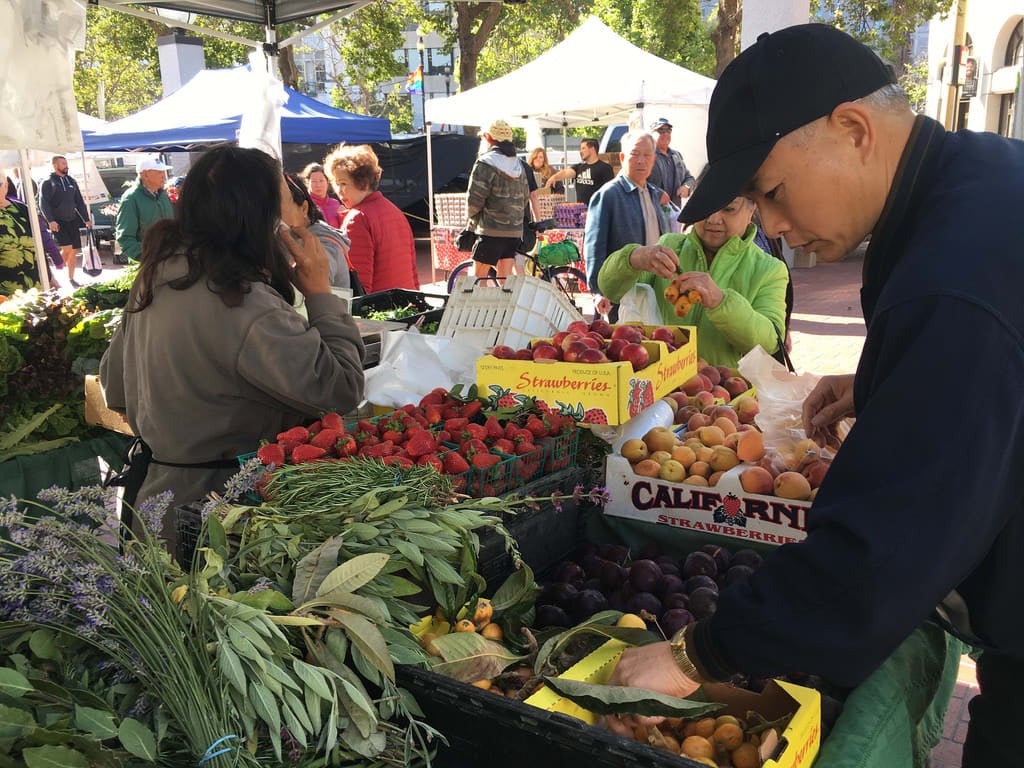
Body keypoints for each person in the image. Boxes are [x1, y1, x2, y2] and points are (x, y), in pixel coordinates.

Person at [605, 25, 1024, 767]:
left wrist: (702, 653)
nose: (774, 226)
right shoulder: (977, 180)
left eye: (771, 192)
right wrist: (885, 381)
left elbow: (895, 536)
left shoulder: (955, 275)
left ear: (854, 129)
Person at [99, 146, 365, 545]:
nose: (293, 206)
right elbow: (341, 390)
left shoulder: (157, 277)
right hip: (226, 516)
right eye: (284, 197)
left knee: (163, 606)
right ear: (259, 216)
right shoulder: (244, 300)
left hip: (154, 505)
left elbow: (114, 386)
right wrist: (319, 293)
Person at [597, 194, 788, 367]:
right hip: (658, 385)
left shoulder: (769, 269)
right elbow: (609, 288)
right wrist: (633, 258)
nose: (713, 219)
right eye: (705, 206)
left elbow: (771, 342)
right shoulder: (669, 246)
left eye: (728, 209)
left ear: (751, 210)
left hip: (722, 395)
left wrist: (720, 302)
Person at [583, 130, 668, 320]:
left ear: (653, 160)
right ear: (622, 158)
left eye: (647, 155)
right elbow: (594, 246)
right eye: (635, 154)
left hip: (650, 291)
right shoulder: (608, 195)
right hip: (619, 292)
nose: (641, 161)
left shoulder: (653, 194)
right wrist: (598, 290)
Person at [324, 144, 418, 294]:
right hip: (405, 305)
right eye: (335, 183)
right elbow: (412, 270)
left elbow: (358, 285)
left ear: (364, 182)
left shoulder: (357, 218)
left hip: (378, 310)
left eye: (343, 183)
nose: (339, 191)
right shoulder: (395, 211)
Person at [463, 120, 530, 280]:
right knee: (504, 279)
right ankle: (505, 306)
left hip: (491, 230)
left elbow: (474, 200)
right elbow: (525, 197)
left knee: (477, 279)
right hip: (513, 231)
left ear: (487, 138)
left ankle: (479, 305)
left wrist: (470, 217)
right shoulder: (519, 165)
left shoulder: (485, 163)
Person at [282, 171, 352, 291]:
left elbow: (319, 278)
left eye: (277, 208)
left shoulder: (324, 243)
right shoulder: (288, 237)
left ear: (304, 208)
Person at [38, 155, 90, 287]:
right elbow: (43, 203)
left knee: (73, 251)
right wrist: (50, 220)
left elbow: (79, 201)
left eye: (66, 163)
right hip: (58, 221)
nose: (66, 166)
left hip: (72, 220)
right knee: (66, 248)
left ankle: (71, 279)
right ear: (55, 165)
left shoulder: (71, 181)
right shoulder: (48, 182)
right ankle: (51, 276)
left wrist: (86, 219)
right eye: (63, 164)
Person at [0, 175, 54, 294]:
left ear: (6, 185)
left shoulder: (22, 209)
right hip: (5, 289)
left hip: (35, 284)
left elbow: (39, 244)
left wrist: (50, 276)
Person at [115, 157, 174, 263]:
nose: (163, 176)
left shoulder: (163, 195)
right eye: (159, 172)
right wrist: (147, 257)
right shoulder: (131, 199)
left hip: (170, 259)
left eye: (163, 172)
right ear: (145, 175)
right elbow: (125, 239)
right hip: (148, 264)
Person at [5, 174, 63, 270]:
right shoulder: (20, 206)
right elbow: (42, 233)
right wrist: (57, 258)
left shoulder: (20, 206)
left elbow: (40, 231)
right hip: (28, 263)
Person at [543, 138, 615, 206]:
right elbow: (566, 172)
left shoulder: (605, 168)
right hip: (581, 212)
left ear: (592, 149)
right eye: (580, 149)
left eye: (583, 148)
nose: (580, 151)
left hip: (597, 211)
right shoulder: (579, 167)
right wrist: (554, 177)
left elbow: (610, 192)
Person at [647, 118, 696, 207]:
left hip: (674, 212)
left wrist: (687, 187)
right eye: (661, 130)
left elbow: (690, 178)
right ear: (651, 134)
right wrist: (657, 194)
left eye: (668, 130)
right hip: (654, 211)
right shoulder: (647, 156)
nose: (665, 134)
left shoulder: (676, 155)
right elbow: (639, 183)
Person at [301, 162, 344, 229]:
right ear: (307, 183)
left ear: (327, 182)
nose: (318, 185)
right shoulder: (304, 205)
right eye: (314, 181)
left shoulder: (335, 204)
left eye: (321, 181)